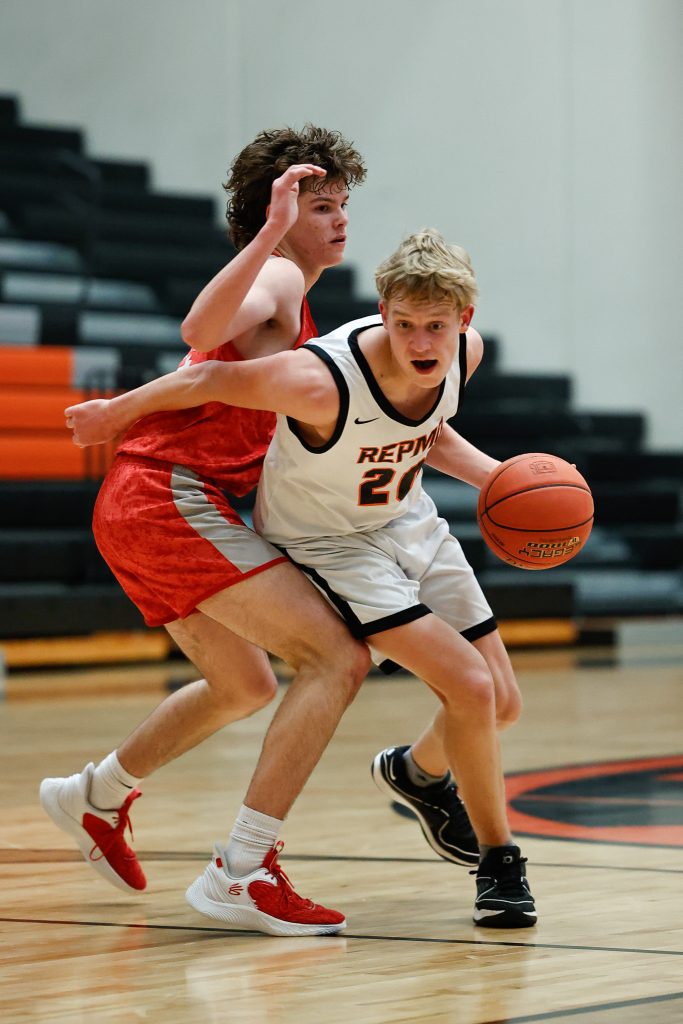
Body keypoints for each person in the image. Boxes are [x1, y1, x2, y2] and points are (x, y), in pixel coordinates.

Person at [64, 228, 538, 929]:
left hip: (409, 520)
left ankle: (415, 773)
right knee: (465, 684)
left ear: (464, 319)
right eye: (404, 324)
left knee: (500, 702)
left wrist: (503, 481)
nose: (419, 342)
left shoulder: (463, 353)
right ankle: (499, 864)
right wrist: (115, 412)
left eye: (435, 327)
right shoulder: (319, 379)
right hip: (332, 543)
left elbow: (424, 430)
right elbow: (206, 376)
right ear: (382, 312)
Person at [40, 125, 371, 937]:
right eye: (320, 207)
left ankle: (97, 794)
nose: (339, 219)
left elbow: (200, 373)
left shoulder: (292, 292)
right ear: (275, 215)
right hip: (169, 498)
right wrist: (270, 235)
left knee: (246, 685)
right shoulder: (279, 275)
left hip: (150, 503)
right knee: (335, 658)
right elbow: (197, 333)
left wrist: (122, 411)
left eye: (341, 204)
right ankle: (245, 871)